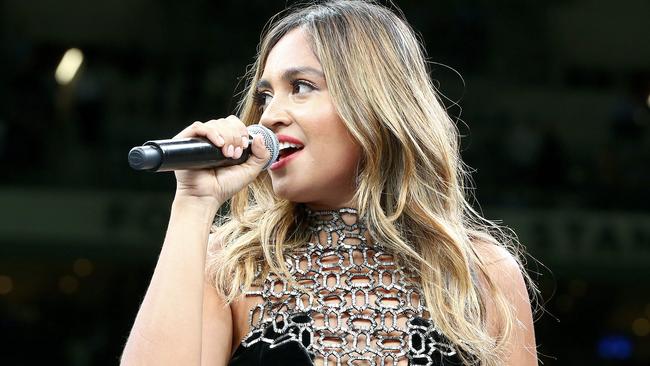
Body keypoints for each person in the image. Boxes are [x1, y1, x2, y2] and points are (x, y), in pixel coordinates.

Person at [120, 1, 538, 365]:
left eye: (301, 87)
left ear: (375, 103)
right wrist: (193, 204)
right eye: (265, 96)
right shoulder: (231, 266)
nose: (269, 116)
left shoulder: (481, 272)